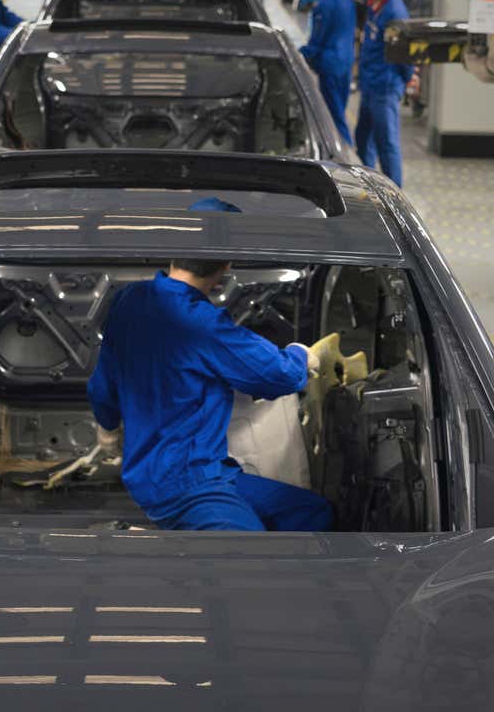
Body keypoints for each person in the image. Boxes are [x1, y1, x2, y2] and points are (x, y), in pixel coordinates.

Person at [87, 198, 333, 532]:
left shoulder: (129, 300)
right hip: (189, 484)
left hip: (190, 472)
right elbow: (278, 375)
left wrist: (107, 431)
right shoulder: (202, 324)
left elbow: (104, 383)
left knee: (312, 514)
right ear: (228, 264)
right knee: (244, 558)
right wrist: (301, 355)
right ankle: (155, 549)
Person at [356, 0, 417, 187]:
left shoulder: (395, 12)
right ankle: (367, 188)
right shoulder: (374, 5)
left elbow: (404, 55)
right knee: (363, 139)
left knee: (387, 144)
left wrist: (408, 78)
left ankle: (396, 199)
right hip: (370, 85)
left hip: (385, 87)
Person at [298, 0, 353, 145]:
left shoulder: (325, 3)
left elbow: (318, 40)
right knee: (340, 109)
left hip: (331, 65)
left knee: (334, 116)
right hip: (345, 62)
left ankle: (347, 160)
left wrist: (299, 53)